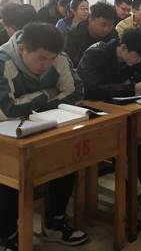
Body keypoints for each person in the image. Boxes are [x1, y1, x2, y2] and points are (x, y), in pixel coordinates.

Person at [0, 23, 87, 249]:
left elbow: (76, 92)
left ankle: (54, 223)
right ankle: (7, 234)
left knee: (67, 160)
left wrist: (29, 104)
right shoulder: (3, 61)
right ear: (22, 49)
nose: (46, 65)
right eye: (41, 58)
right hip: (7, 135)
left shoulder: (59, 57)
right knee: (9, 174)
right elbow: (7, 110)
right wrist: (48, 93)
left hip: (48, 127)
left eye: (51, 59)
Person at [77, 28, 141, 229]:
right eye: (137, 56)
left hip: (124, 111)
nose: (139, 61)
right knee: (128, 146)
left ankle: (137, 193)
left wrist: (136, 82)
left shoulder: (134, 54)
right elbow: (90, 89)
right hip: (96, 116)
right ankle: (137, 198)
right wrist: (132, 87)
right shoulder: (95, 54)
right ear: (123, 47)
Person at [64, 1, 118, 66]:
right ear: (90, 19)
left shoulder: (113, 35)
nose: (106, 29)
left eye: (110, 25)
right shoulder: (74, 36)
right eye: (103, 25)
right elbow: (71, 62)